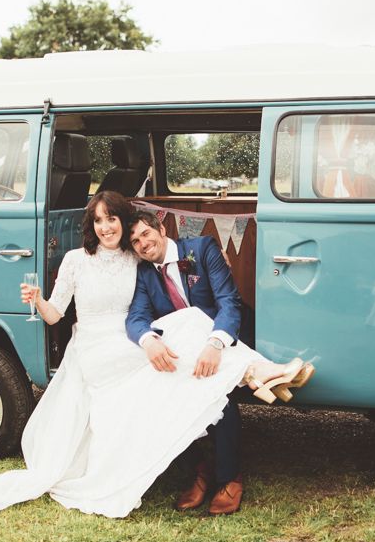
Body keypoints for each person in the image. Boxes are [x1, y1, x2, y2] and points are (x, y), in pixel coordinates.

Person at [0, 191, 311, 518]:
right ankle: (258, 373)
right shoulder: (80, 261)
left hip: (165, 339)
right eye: (98, 221)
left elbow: (220, 305)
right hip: (104, 346)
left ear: (150, 227)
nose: (107, 227)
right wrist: (37, 300)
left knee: (191, 348)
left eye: (112, 219)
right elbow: (71, 315)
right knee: (184, 338)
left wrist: (211, 343)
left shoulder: (156, 256)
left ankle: (221, 464)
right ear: (91, 226)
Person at [125, 210, 304, 514]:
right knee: (158, 395)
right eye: (134, 241)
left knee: (219, 397)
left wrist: (215, 343)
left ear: (160, 229)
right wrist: (148, 340)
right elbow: (136, 317)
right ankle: (200, 470)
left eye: (145, 234)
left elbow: (228, 301)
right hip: (187, 350)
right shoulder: (144, 273)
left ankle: (229, 478)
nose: (142, 244)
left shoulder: (202, 248)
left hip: (226, 336)